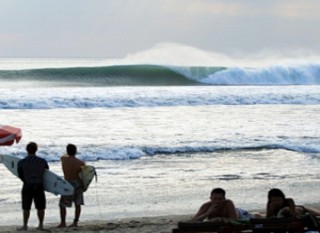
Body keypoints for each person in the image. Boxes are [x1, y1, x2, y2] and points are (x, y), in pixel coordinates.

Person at [17, 142, 49, 231]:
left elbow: (20, 175)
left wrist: (26, 180)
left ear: (27, 150)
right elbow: (47, 174)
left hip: (27, 185)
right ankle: (41, 225)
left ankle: (25, 225)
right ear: (36, 150)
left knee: (26, 207)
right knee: (41, 206)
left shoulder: (21, 162)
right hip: (39, 185)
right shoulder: (42, 161)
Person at [57, 144, 85, 228]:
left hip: (67, 183)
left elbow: (63, 156)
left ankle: (63, 223)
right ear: (76, 151)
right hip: (77, 183)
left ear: (67, 151)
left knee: (62, 204)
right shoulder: (80, 162)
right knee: (78, 204)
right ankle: (75, 222)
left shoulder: (64, 160)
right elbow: (83, 175)